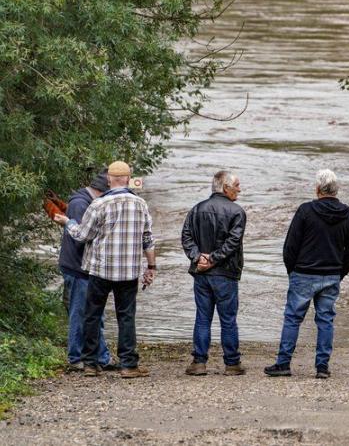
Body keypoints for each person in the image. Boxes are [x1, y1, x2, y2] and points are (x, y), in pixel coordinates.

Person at [53, 161, 156, 378]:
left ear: (109, 179)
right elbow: (148, 239)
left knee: (92, 315)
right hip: (128, 272)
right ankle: (128, 365)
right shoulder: (140, 204)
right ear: (128, 179)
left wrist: (67, 222)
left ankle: (90, 364)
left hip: (100, 270)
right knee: (126, 317)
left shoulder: (98, 204)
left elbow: (82, 235)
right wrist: (151, 266)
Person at [264, 169, 349, 379]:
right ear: (336, 190)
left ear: (317, 189)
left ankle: (283, 363)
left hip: (303, 273)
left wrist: (292, 271)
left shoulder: (305, 211)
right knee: (325, 320)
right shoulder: (348, 214)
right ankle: (322, 367)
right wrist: (339, 274)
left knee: (292, 318)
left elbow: (290, 247)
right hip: (331, 274)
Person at [181, 171, 247, 376]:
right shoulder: (237, 212)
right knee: (228, 319)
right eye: (236, 185)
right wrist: (213, 259)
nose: (239, 189)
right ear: (225, 188)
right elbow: (232, 243)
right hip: (225, 273)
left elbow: (186, 237)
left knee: (203, 317)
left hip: (201, 272)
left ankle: (199, 362)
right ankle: (232, 364)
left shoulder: (197, 209)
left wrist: (198, 257)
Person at [58, 169, 116, 372]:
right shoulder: (80, 204)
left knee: (95, 315)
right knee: (79, 313)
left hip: (87, 268)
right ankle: (75, 357)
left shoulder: (88, 202)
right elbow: (80, 237)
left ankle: (101, 356)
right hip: (77, 268)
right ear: (104, 189)